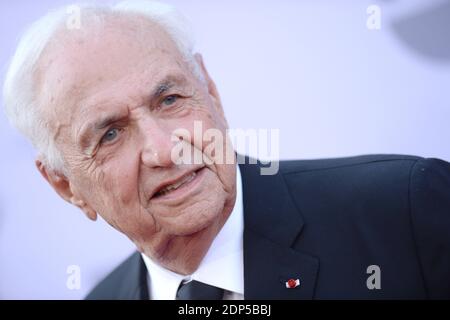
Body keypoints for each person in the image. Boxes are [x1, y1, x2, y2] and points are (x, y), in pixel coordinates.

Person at [3, 0, 450, 299]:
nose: (164, 148)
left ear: (210, 91)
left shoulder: (405, 210)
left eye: (170, 100)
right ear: (65, 185)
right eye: (111, 134)